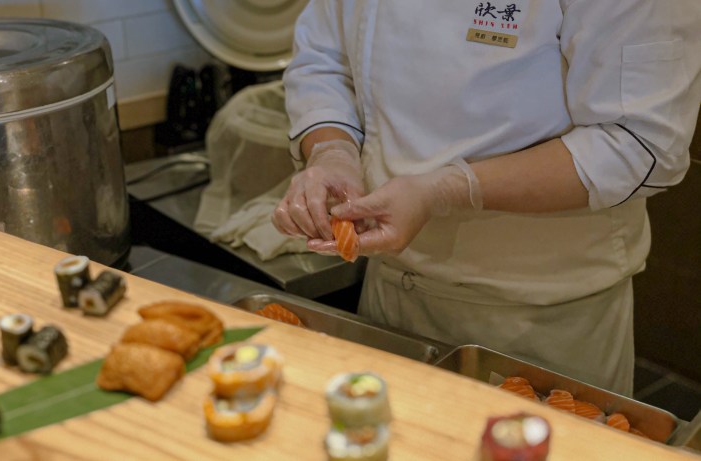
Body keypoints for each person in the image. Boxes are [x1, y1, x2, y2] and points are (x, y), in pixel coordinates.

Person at [272, 0, 701, 396]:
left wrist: (447, 190)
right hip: (391, 288)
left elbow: (638, 140)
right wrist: (332, 150)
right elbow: (323, 59)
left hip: (539, 315)